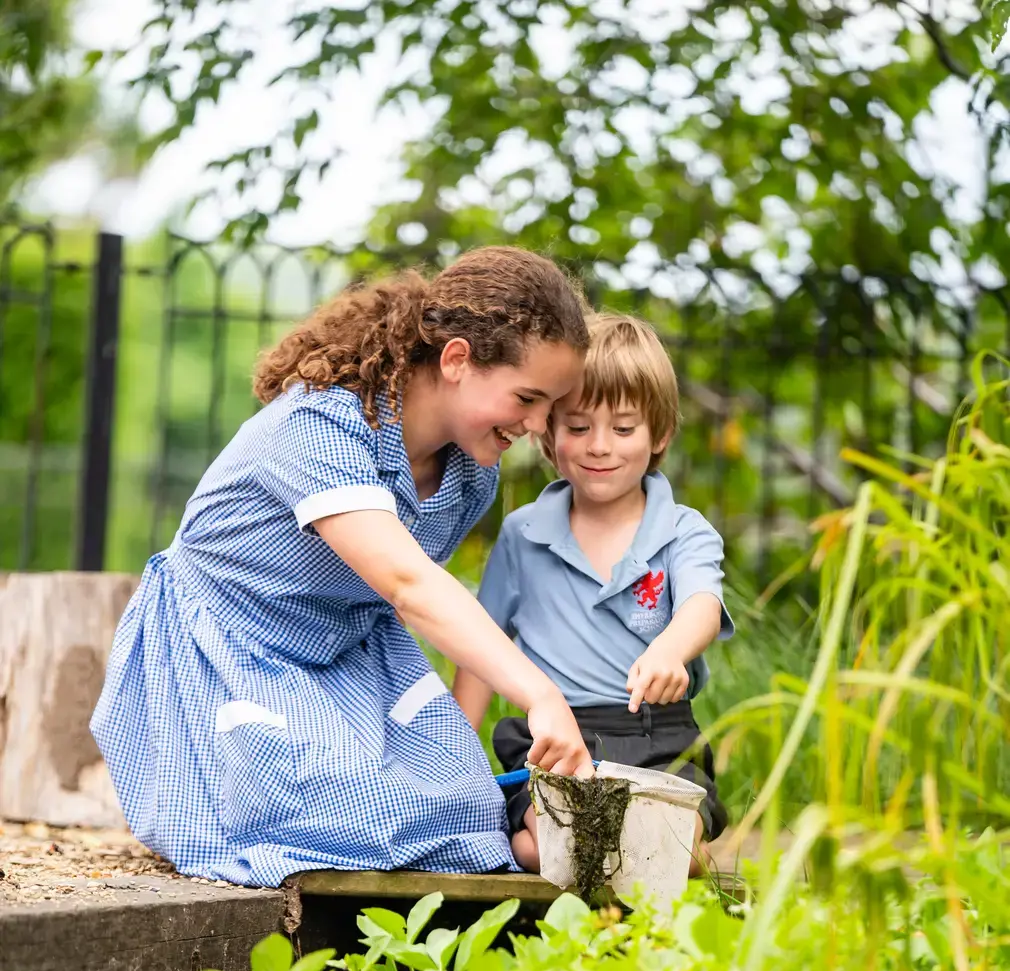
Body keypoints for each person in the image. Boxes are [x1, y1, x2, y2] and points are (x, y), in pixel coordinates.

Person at [91, 248, 594, 888]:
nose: (538, 425)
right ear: (458, 360)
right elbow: (407, 584)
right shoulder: (320, 425)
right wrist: (541, 694)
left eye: (551, 405)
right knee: (339, 804)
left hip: (350, 656)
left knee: (467, 808)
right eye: (528, 398)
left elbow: (407, 598)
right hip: (231, 647)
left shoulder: (469, 475)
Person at [453, 313, 733, 875]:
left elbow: (703, 604)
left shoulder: (682, 529)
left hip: (658, 734)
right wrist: (455, 745)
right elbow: (480, 645)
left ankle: (660, 871)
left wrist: (670, 649)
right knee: (537, 850)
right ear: (548, 432)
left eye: (623, 429)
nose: (599, 446)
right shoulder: (524, 534)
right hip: (555, 741)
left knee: (677, 855)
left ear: (660, 434)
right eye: (578, 427)